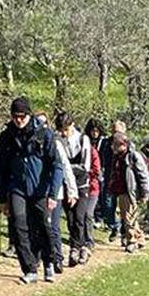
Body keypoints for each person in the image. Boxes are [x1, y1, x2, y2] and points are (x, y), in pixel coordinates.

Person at [0, 96, 65, 285]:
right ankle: (29, 268)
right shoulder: (7, 136)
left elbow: (56, 165)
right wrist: (2, 198)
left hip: (40, 189)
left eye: (22, 116)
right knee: (18, 226)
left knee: (43, 226)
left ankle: (49, 261)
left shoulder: (44, 134)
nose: (18, 120)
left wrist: (53, 194)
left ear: (29, 115)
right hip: (17, 188)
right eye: (15, 116)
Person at [100, 120, 149, 252]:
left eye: (116, 145)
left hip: (130, 190)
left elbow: (143, 174)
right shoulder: (117, 157)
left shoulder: (133, 156)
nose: (113, 148)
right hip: (119, 189)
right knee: (128, 216)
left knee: (129, 216)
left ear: (123, 145)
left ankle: (132, 240)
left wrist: (145, 192)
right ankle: (139, 238)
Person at [57, 110, 99, 267]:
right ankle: (76, 246)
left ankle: (79, 247)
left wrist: (67, 167)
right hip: (66, 184)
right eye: (61, 130)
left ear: (72, 125)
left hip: (82, 185)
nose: (63, 133)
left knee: (80, 216)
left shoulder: (83, 139)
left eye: (65, 129)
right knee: (70, 218)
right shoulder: (58, 140)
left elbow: (86, 166)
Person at [86, 119, 115, 238]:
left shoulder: (104, 142)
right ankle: (97, 218)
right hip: (89, 172)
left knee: (104, 198)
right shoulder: (86, 141)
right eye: (93, 131)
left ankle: (110, 222)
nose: (95, 133)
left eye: (97, 131)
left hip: (102, 172)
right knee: (94, 197)